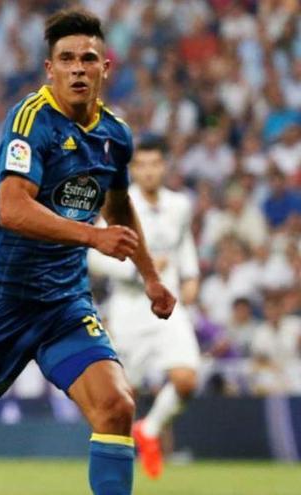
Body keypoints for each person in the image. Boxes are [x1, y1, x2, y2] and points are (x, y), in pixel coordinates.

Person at [0, 10, 176, 495]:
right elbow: (13, 209)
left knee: (117, 406)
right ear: (50, 69)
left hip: (63, 304)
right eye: (67, 59)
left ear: (106, 67)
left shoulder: (116, 136)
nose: (78, 68)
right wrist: (91, 237)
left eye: (88, 59)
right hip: (1, 299)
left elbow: (119, 206)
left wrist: (150, 276)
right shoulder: (32, 120)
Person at [88, 137, 201, 480]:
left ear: (164, 166)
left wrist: (191, 274)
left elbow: (182, 243)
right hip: (129, 307)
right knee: (125, 396)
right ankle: (115, 470)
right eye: (142, 165)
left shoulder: (180, 205)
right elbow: (93, 256)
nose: (149, 171)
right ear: (132, 169)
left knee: (187, 379)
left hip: (167, 306)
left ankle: (149, 430)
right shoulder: (119, 203)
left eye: (155, 164)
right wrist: (138, 270)